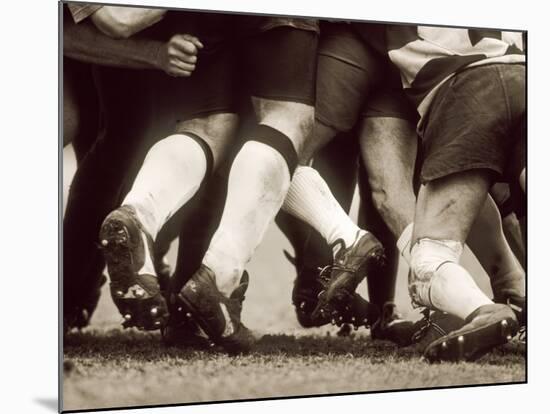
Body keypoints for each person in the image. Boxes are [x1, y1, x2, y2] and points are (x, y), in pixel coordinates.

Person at [355, 24, 525, 361]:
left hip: (466, 91)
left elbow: (387, 190)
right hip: (527, 72)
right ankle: (517, 293)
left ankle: (484, 310)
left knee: (429, 261)